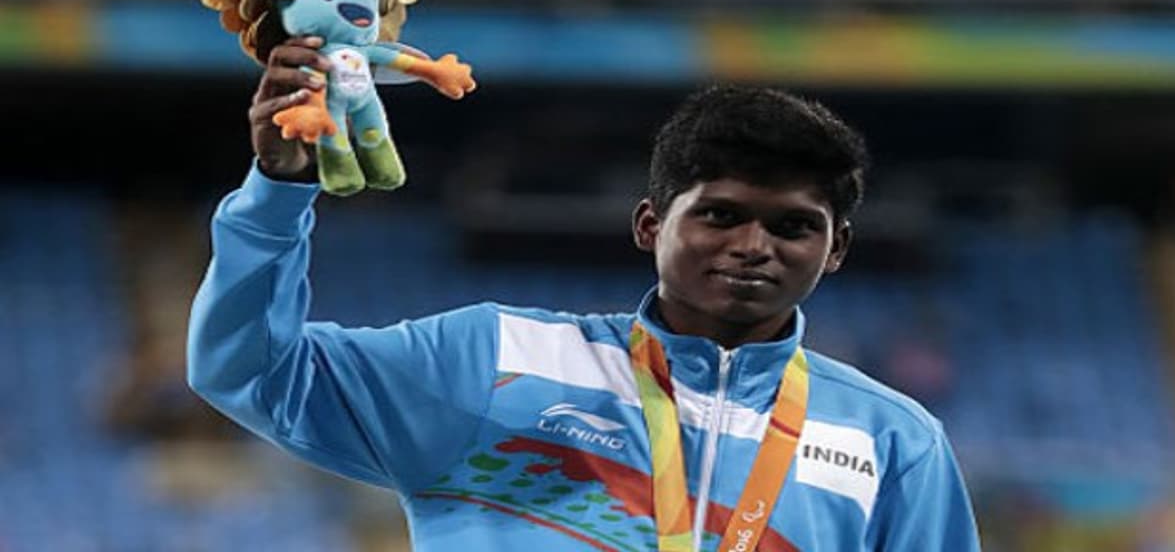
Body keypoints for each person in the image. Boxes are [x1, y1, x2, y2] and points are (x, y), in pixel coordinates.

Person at [188, 36, 982, 552]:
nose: (753, 246)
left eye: (793, 227)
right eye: (720, 215)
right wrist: (278, 194)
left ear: (835, 249)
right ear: (650, 225)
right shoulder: (496, 359)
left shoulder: (892, 440)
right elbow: (251, 372)